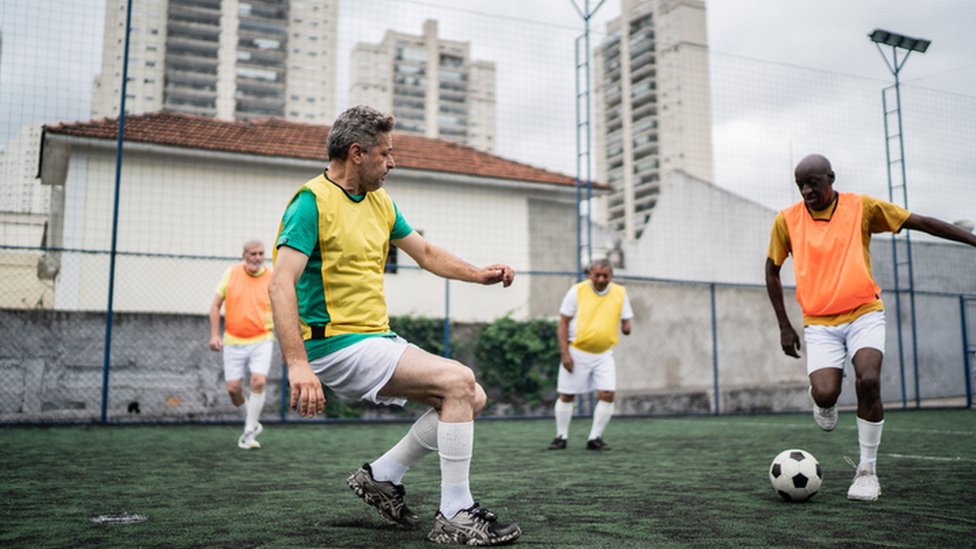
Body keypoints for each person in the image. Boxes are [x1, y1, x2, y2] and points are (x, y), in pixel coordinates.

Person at [269, 105, 522, 546]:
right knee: (458, 380)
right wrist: (296, 364)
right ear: (356, 153)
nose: (392, 162)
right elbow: (279, 285)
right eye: (386, 153)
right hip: (334, 347)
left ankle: (382, 476)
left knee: (470, 395)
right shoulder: (310, 203)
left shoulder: (381, 202)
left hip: (375, 340)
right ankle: (455, 513)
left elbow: (424, 252)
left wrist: (478, 273)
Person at [765, 153, 976, 501]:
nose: (806, 191)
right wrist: (784, 326)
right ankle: (823, 400)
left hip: (864, 313)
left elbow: (919, 222)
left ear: (830, 178)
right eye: (800, 185)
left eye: (813, 183)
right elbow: (771, 270)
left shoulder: (861, 207)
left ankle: (866, 471)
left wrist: (971, 239)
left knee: (869, 379)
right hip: (819, 322)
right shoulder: (787, 221)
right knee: (826, 392)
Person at [548, 258, 633, 451]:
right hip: (577, 351)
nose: (602, 279)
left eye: (606, 275)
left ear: (611, 275)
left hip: (604, 354)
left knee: (608, 394)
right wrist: (565, 354)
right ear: (589, 275)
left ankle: (595, 438)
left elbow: (626, 318)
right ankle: (561, 436)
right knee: (567, 395)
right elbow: (563, 323)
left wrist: (626, 326)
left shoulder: (620, 292)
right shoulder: (577, 291)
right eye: (597, 275)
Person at [209, 240, 274, 450]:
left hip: (262, 339)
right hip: (233, 341)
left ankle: (248, 433)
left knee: (258, 381)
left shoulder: (272, 277)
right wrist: (214, 335)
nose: (257, 257)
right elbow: (215, 305)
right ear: (244, 255)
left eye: (261, 253)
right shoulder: (231, 273)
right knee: (233, 389)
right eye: (253, 253)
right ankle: (252, 422)